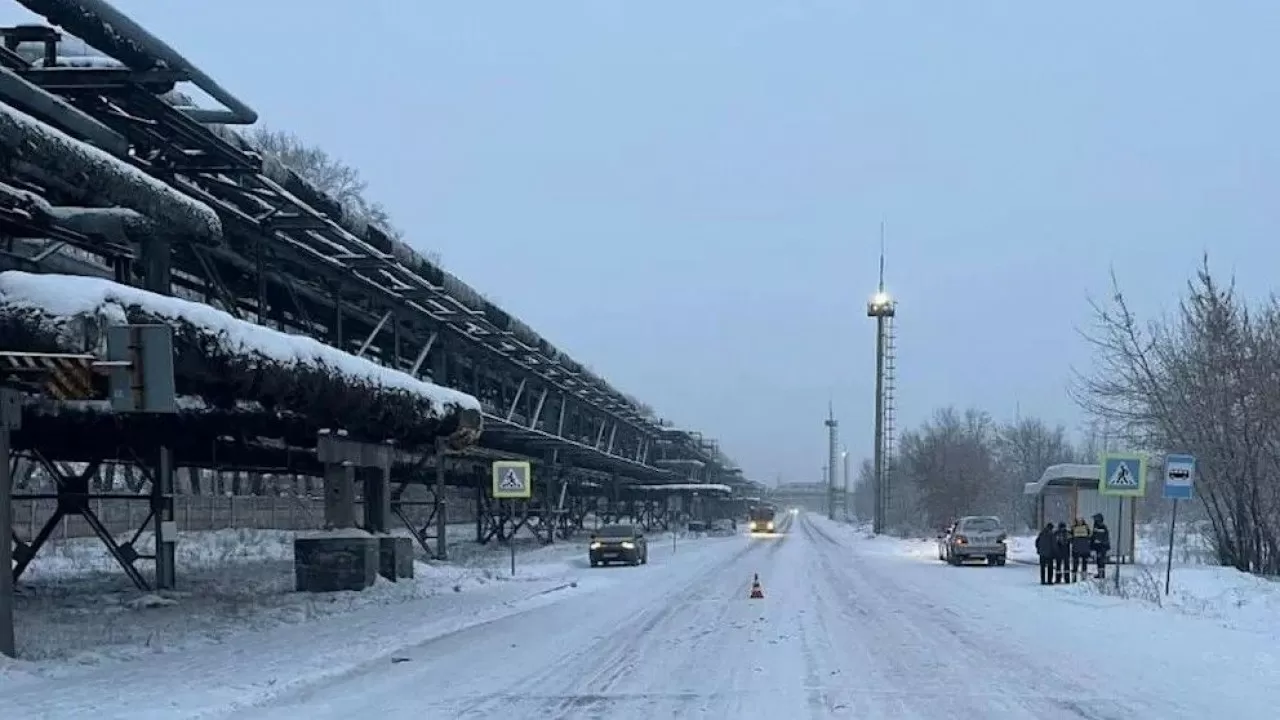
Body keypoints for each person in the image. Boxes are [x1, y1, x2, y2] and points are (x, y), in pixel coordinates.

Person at [1070, 517, 1092, 582]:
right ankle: (1083, 578)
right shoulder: (1086, 527)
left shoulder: (1073, 527)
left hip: (1076, 548)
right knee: (1083, 563)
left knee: (1076, 563)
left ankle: (1075, 578)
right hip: (1084, 548)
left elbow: (1071, 537)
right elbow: (1090, 536)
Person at [1091, 512, 1111, 579]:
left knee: (1100, 560)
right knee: (1099, 560)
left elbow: (1100, 537)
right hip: (1100, 546)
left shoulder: (1101, 526)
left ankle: (1101, 574)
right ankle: (1100, 573)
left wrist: (1097, 542)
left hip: (1101, 547)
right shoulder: (1097, 526)